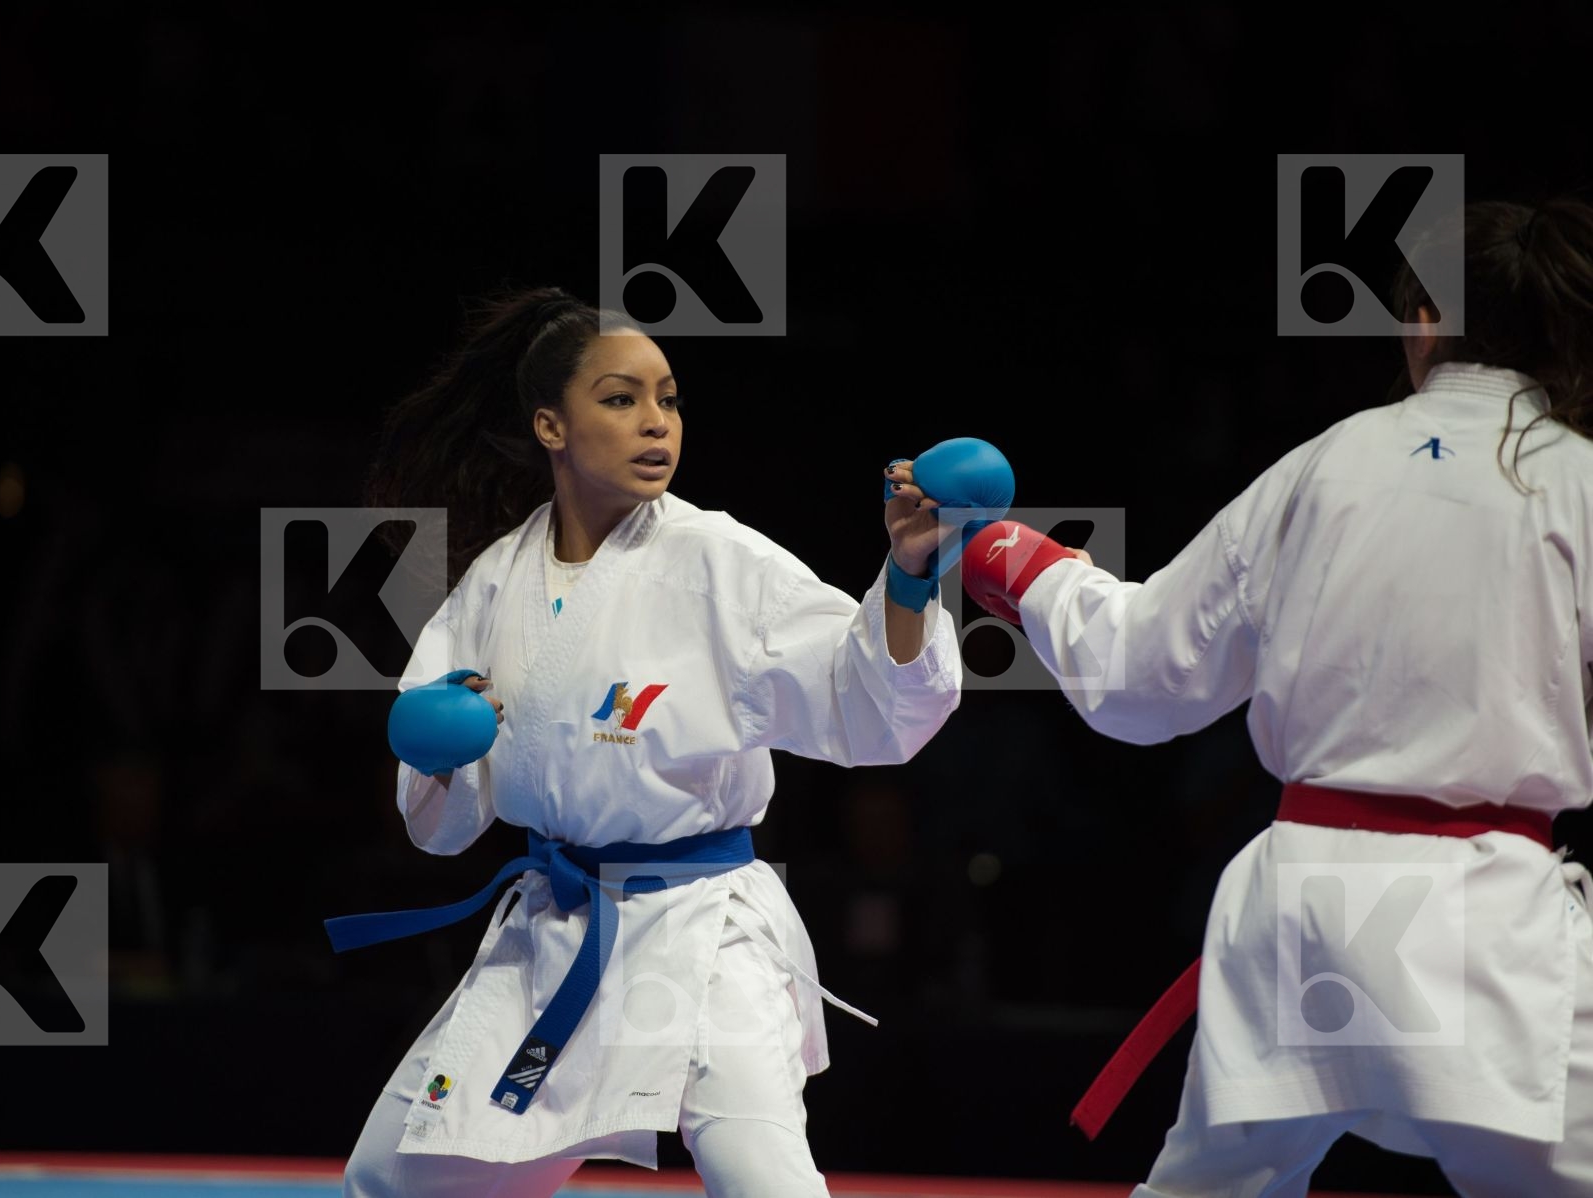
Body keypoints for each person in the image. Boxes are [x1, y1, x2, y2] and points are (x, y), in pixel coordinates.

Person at [961, 197, 1593, 1194]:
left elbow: (1141, 676)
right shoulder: (1578, 481)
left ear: (1422, 317)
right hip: (1486, 920)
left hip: (1302, 908)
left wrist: (1015, 559)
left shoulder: (1323, 465)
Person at [337, 285, 964, 1197]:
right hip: (556, 933)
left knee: (765, 1181)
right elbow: (440, 825)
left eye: (667, 398)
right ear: (552, 426)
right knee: (388, 1181)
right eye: (621, 399)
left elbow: (863, 700)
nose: (655, 423)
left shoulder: (718, 561)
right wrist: (439, 755)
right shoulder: (494, 583)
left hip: (702, 930)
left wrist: (908, 579)